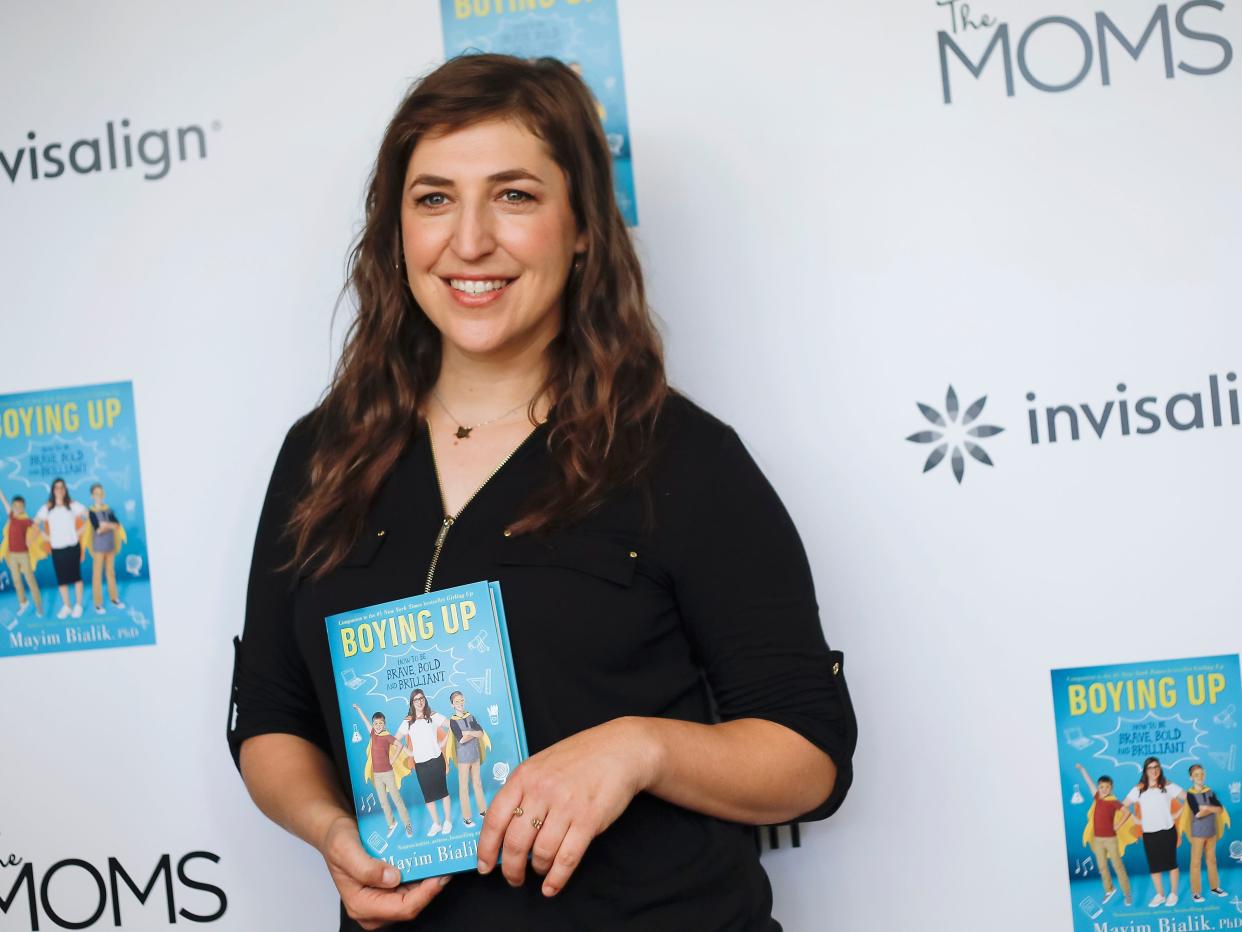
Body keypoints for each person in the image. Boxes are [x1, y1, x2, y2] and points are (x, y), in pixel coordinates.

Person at [228, 53, 856, 931]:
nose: (470, 240)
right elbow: (269, 715)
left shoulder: (680, 457)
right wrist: (332, 829)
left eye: (515, 196)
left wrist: (642, 748)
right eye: (434, 198)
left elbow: (809, 755)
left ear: (584, 226)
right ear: (396, 229)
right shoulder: (321, 456)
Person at [1123, 756, 1186, 907]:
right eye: (1151, 768)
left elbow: (1189, 798)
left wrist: (1177, 814)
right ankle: (1160, 895)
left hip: (1168, 831)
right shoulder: (1138, 789)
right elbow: (1123, 806)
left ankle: (1174, 894)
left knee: (1172, 864)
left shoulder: (1167, 786)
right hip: (1149, 833)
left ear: (1160, 769)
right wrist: (1135, 819)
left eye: (1157, 767)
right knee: (1154, 866)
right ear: (1145, 770)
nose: (1154, 770)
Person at [1074, 762, 1135, 906]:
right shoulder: (1097, 797)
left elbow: (1127, 813)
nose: (1104, 789)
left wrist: (1118, 826)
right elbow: (1089, 783)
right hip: (1098, 840)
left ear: (1111, 788)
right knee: (1102, 866)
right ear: (1099, 787)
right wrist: (1082, 769)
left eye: (1107, 787)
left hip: (1110, 840)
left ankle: (1127, 893)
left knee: (1117, 866)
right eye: (1101, 787)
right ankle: (1109, 889)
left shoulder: (1114, 802)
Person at [394, 689, 453, 837]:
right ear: (412, 703)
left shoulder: (433, 716)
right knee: (428, 796)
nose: (420, 701)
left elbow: (452, 725)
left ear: (425, 700)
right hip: (420, 764)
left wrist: (444, 742)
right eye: (416, 699)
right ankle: (436, 824)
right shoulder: (408, 721)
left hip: (436, 760)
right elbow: (395, 740)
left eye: (422, 698)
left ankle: (448, 821)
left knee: (443, 792)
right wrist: (409, 753)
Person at [352, 705, 414, 839]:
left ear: (384, 724)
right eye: (376, 723)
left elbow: (400, 745)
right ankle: (391, 823)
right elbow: (365, 722)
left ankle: (407, 824)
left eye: (381, 723)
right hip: (377, 775)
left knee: (396, 799)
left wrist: (394, 758)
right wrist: (359, 710)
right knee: (383, 801)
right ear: (374, 725)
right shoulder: (373, 734)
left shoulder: (387, 737)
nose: (378, 725)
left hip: (388, 773)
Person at [33, 478, 87, 619]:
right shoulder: (47, 507)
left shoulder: (72, 505)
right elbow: (35, 523)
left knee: (76, 577)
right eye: (56, 487)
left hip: (72, 547)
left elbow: (88, 515)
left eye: (62, 487)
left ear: (65, 489)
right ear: (53, 490)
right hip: (57, 549)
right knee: (62, 579)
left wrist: (81, 530)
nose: (59, 490)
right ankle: (67, 606)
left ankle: (78, 605)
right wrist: (44, 536)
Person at [1179, 763, 1230, 902]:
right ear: (1191, 777)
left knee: (1212, 860)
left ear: (1205, 775)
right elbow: (1197, 814)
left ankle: (1215, 887)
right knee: (1195, 863)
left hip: (1211, 832)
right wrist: (1210, 808)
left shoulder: (1210, 791)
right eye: (1196, 775)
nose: (1199, 777)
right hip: (1198, 834)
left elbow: (1220, 809)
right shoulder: (1190, 795)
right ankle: (1196, 892)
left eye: (1201, 774)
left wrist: (1205, 807)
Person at [445, 690, 491, 828]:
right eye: (456, 701)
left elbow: (481, 733)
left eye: (461, 700)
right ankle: (467, 818)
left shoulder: (471, 716)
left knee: (478, 784)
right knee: (464, 787)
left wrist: (469, 732)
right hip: (463, 758)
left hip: (475, 755)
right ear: (452, 704)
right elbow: (462, 739)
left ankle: (483, 811)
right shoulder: (453, 721)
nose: (460, 703)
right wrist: (473, 733)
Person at [0, 490, 46, 617]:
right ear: (13, 507)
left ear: (23, 507)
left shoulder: (26, 520)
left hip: (24, 555)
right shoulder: (11, 516)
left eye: (20, 506)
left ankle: (38, 605)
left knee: (30, 579)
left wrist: (30, 540)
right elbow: (4, 502)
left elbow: (38, 528)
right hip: (13, 555)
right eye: (15, 506)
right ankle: (23, 602)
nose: (17, 508)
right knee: (16, 580)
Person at [84, 482, 126, 614]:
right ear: (92, 496)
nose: (99, 496)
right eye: (96, 493)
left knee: (111, 572)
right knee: (97, 575)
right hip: (98, 548)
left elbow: (117, 525)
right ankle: (98, 603)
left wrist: (105, 525)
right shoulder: (91, 512)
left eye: (101, 493)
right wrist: (109, 525)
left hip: (110, 546)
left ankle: (114, 598)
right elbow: (98, 529)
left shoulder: (109, 510)